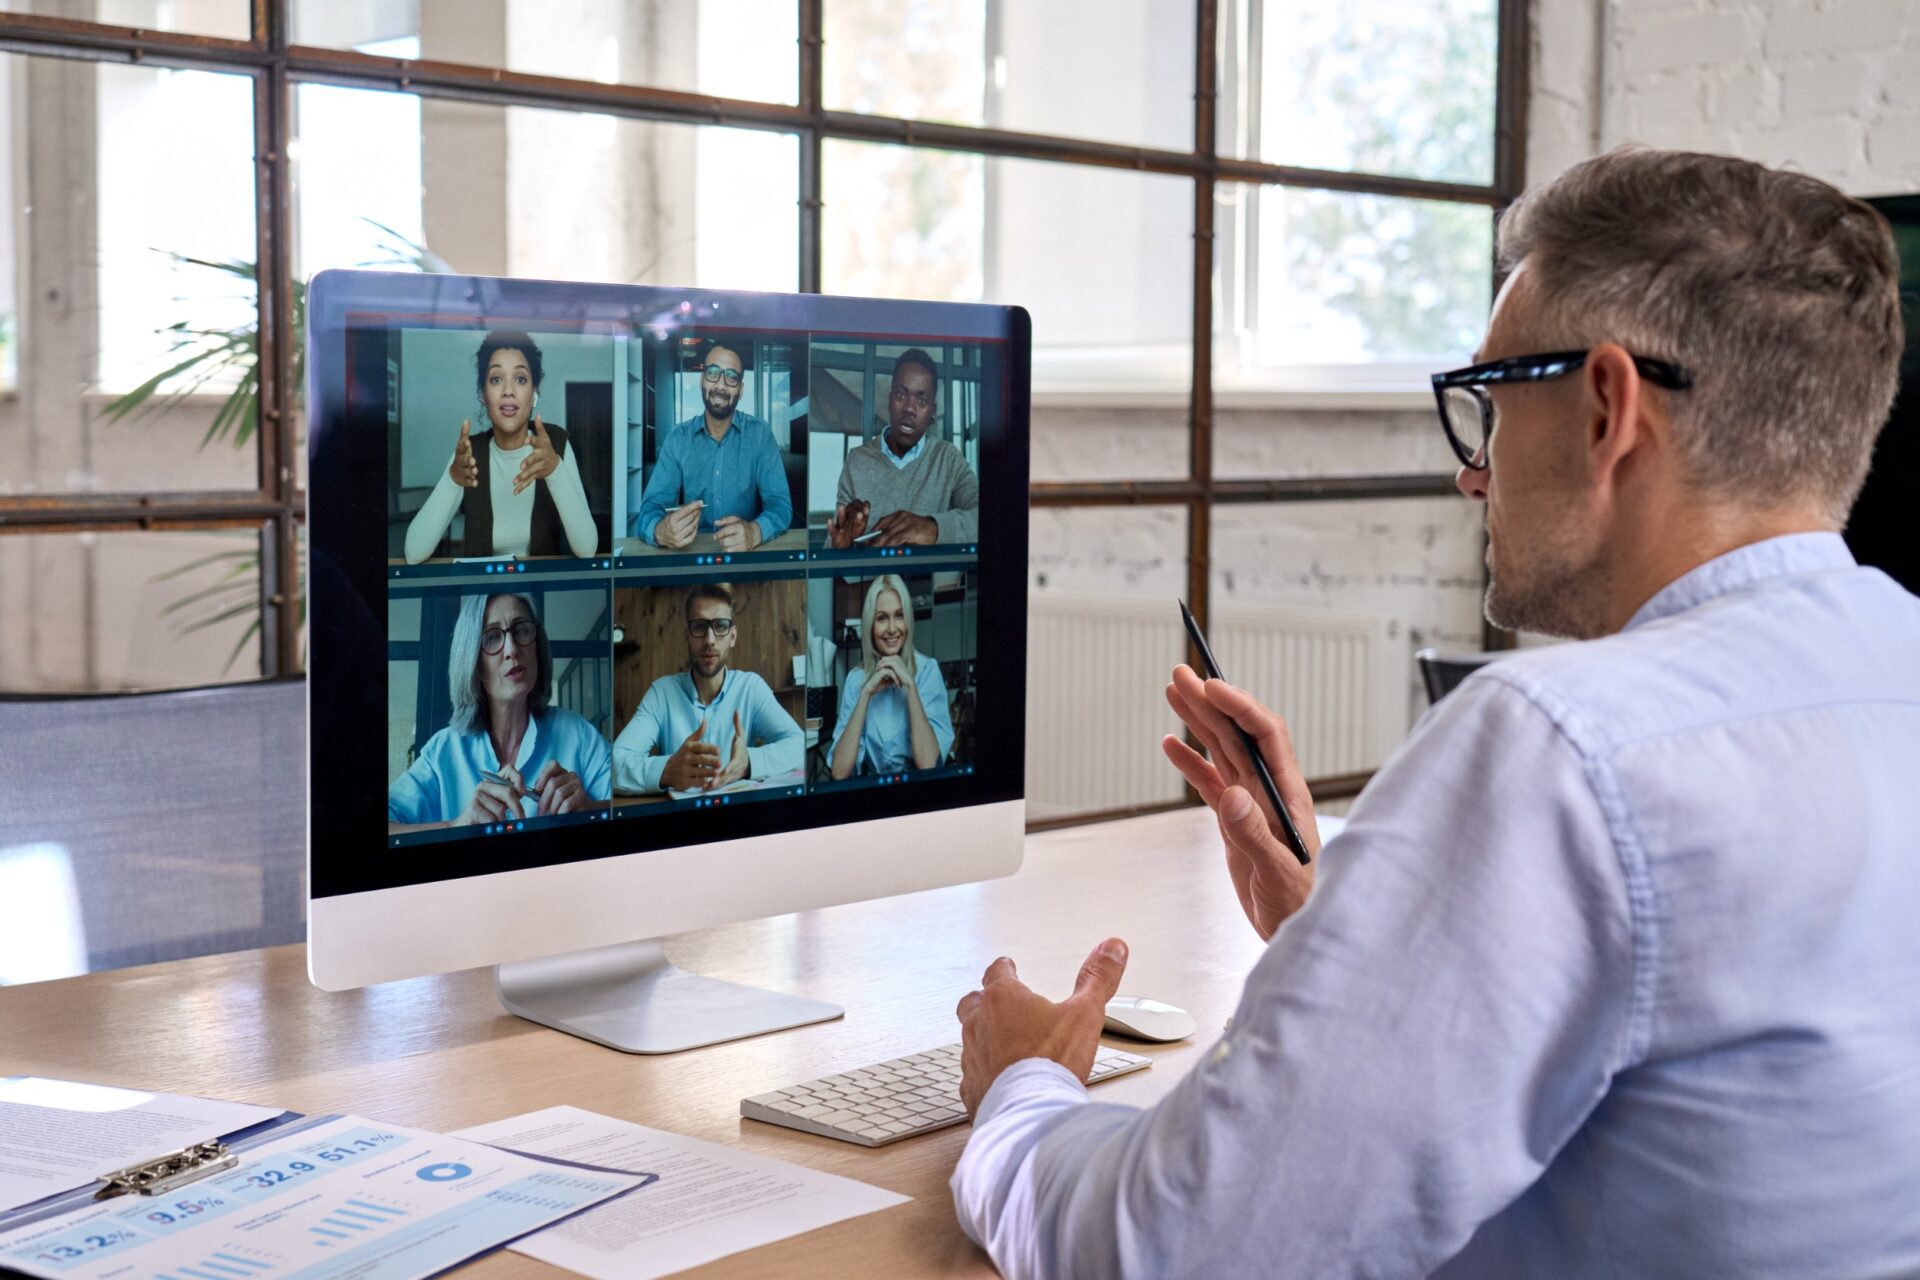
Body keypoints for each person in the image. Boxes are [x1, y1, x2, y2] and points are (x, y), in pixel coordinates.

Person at [949, 148, 1920, 1277]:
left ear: (1606, 406)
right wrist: (1355, 940)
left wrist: (1023, 1089)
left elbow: (1172, 1248)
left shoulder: (1559, 743)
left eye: (1492, 404)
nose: (1475, 472)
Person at [389, 593, 611, 829]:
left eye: (522, 630)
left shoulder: (578, 734)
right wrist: (456, 826)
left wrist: (590, 809)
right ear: (472, 660)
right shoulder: (442, 751)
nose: (512, 650)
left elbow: (632, 808)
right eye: (492, 637)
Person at [404, 330, 598, 563]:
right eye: (496, 379)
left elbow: (587, 549)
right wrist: (453, 479)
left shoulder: (556, 444)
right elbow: (413, 553)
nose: (508, 391)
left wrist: (555, 470)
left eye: (520, 379)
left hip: (542, 594)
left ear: (534, 392)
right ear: (483, 395)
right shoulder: (469, 453)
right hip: (483, 592)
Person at [612, 584, 804, 794]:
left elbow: (799, 746)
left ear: (732, 636)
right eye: (699, 626)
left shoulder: (751, 688)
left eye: (720, 626)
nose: (709, 640)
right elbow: (614, 763)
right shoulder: (662, 693)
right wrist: (666, 772)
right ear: (687, 634)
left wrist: (748, 762)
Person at [633, 339, 793, 553]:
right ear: (702, 380)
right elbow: (650, 507)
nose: (720, 385)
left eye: (731, 377)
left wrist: (754, 532)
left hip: (745, 557)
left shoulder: (760, 435)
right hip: (691, 558)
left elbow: (780, 504)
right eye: (713, 373)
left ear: (741, 389)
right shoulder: (677, 439)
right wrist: (660, 530)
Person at [825, 348, 979, 548]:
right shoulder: (857, 461)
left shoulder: (948, 459)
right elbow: (835, 544)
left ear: (932, 413)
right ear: (889, 401)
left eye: (921, 401)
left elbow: (987, 519)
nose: (908, 408)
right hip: (870, 581)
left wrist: (932, 527)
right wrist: (841, 547)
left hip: (928, 581)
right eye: (900, 395)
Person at [828, 574, 955, 778]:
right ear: (870, 624)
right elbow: (839, 772)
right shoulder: (855, 679)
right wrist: (866, 693)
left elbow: (929, 765)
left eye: (899, 615)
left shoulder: (927, 671)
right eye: (881, 618)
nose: (892, 629)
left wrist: (911, 688)